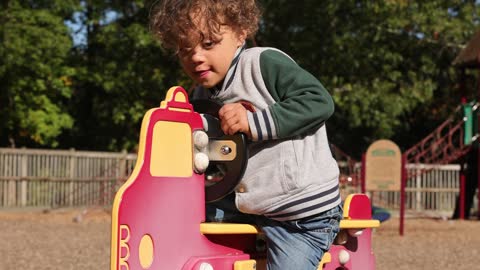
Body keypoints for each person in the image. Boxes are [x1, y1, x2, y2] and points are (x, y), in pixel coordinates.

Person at [150, 1, 342, 269]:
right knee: (186, 216)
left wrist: (253, 122)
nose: (195, 56)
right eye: (185, 49)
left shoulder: (262, 64)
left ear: (240, 34)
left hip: (302, 215)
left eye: (208, 44)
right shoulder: (201, 95)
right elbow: (216, 153)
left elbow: (318, 101)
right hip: (250, 204)